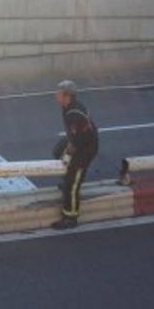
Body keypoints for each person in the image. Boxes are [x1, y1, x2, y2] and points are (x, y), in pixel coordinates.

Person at [52, 80, 99, 230]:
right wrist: (66, 149)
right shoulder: (68, 108)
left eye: (58, 93)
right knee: (58, 151)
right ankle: (68, 177)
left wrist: (71, 149)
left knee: (72, 184)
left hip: (85, 149)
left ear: (67, 96)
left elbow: (85, 137)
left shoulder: (74, 113)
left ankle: (70, 217)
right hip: (77, 140)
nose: (55, 95)